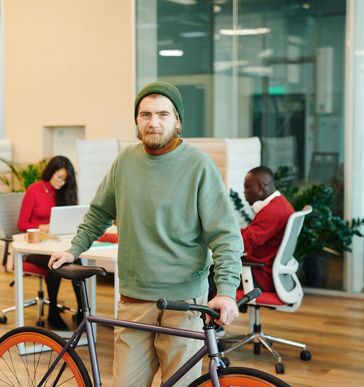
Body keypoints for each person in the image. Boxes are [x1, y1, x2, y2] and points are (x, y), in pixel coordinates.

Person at [49, 81, 243, 386]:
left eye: (163, 114)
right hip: (133, 299)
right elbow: (100, 212)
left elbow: (225, 235)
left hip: (185, 301)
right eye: (146, 114)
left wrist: (227, 291)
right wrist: (75, 248)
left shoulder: (199, 166)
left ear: (177, 120)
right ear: (137, 120)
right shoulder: (125, 162)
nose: (153, 122)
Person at [17, 155, 82, 330]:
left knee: (77, 260)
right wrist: (41, 227)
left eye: (65, 179)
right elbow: (22, 224)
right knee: (55, 263)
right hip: (35, 249)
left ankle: (83, 311)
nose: (62, 182)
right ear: (50, 172)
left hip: (59, 244)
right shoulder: (34, 190)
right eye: (59, 177)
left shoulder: (65, 192)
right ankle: (53, 312)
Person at [241, 166, 295, 292]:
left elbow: (243, 244)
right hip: (265, 271)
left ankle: (200, 312)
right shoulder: (279, 204)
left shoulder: (273, 211)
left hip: (259, 275)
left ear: (260, 188)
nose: (244, 192)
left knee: (208, 277)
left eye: (247, 187)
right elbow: (250, 234)